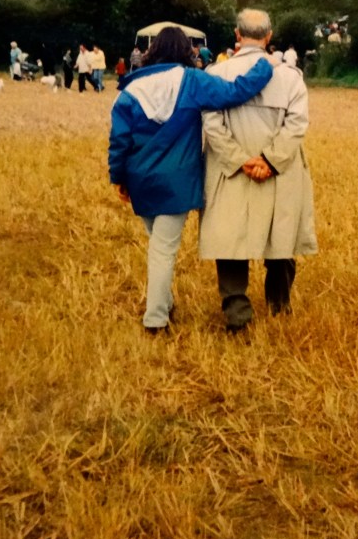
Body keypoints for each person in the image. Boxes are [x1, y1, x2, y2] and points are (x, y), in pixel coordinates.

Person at [108, 26, 276, 333]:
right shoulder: (192, 81)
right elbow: (235, 91)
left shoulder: (131, 91)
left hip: (140, 180)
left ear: (152, 51)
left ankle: (165, 305)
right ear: (187, 51)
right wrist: (265, 64)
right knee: (163, 250)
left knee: (158, 246)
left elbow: (119, 141)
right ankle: (156, 319)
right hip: (177, 181)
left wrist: (118, 178)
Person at [199, 8, 318, 331]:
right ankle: (279, 307)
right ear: (269, 37)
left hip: (233, 172)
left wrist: (240, 159)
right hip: (280, 172)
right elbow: (297, 125)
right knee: (281, 236)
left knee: (230, 238)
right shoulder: (291, 77)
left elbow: (211, 123)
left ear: (237, 36)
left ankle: (237, 313)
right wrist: (271, 160)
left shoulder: (215, 74)